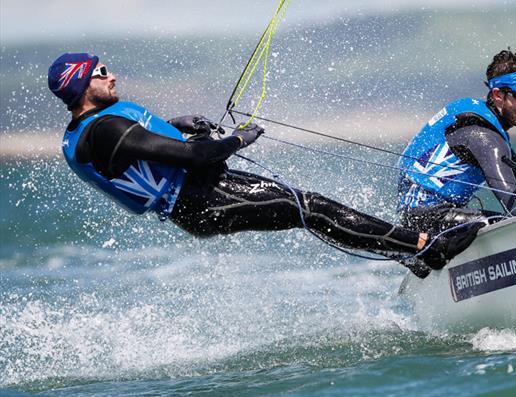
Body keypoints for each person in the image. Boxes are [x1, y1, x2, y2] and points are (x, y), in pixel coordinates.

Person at [49, 52, 481, 272]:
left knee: (309, 209)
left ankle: (410, 250)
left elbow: (144, 145)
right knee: (311, 209)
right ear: (84, 83)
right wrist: (240, 138)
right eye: (102, 71)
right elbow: (193, 155)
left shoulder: (92, 128)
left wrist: (177, 122)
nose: (112, 76)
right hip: (200, 200)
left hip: (201, 195)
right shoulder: (103, 130)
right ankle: (424, 247)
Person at [395, 49, 516, 275]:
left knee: (496, 221)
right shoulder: (483, 137)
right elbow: (514, 203)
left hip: (420, 220)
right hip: (429, 222)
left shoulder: (480, 123)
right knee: (500, 224)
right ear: (498, 95)